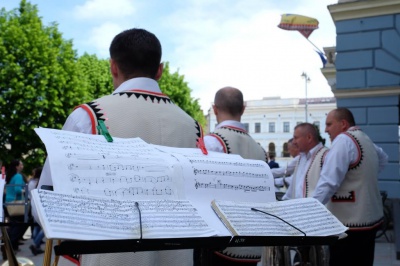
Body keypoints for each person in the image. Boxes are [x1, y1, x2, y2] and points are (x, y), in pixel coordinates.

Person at [37, 28, 204, 266]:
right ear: (160, 70)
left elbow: (47, 202)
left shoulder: (88, 117)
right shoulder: (194, 127)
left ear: (113, 66)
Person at [312, 107, 388, 266]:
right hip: (370, 221)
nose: (326, 130)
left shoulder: (344, 140)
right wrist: (362, 178)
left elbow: (328, 182)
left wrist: (309, 209)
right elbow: (383, 159)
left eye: (329, 124)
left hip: (349, 223)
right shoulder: (365, 138)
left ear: (343, 124)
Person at [203, 86, 267, 266]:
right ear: (243, 108)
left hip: (220, 243)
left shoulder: (211, 142)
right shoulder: (260, 150)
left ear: (215, 109)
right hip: (253, 243)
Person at [283, 123, 328, 201]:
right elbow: (293, 190)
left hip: (314, 211)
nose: (293, 142)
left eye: (296, 138)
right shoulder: (301, 158)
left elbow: (326, 189)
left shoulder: (325, 156)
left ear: (309, 137)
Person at [4, 159, 28, 253]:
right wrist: (25, 191)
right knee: (20, 224)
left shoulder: (9, 176)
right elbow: (18, 190)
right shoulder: (18, 176)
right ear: (17, 166)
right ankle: (12, 245)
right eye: (21, 165)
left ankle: (11, 245)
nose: (22, 166)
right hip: (16, 203)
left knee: (13, 224)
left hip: (8, 202)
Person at [28, 167, 45, 256]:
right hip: (40, 205)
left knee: (36, 226)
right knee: (44, 228)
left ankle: (36, 245)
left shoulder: (31, 182)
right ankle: (35, 244)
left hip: (33, 204)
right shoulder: (41, 182)